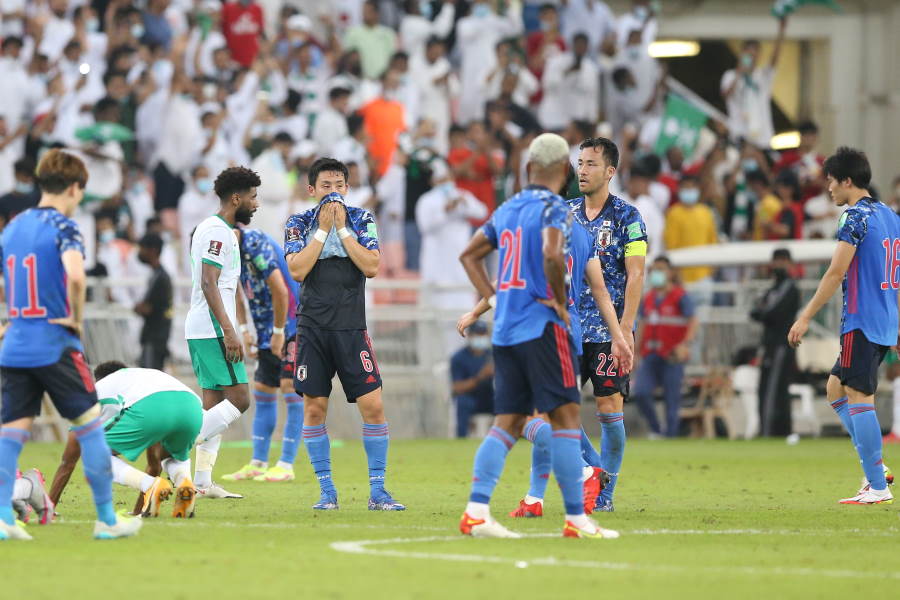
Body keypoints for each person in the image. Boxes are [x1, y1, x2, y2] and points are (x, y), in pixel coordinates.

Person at [457, 132, 620, 539]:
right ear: (564, 169)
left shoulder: (508, 208)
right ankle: (576, 517)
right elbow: (552, 253)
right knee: (565, 419)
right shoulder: (557, 210)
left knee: (508, 423)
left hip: (506, 330)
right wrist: (560, 302)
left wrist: (493, 299)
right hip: (545, 328)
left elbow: (469, 255)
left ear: (529, 167)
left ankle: (477, 511)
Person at [0, 149, 141, 540]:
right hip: (54, 342)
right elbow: (76, 277)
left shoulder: (12, 227)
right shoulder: (65, 226)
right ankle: (107, 520)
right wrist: (76, 318)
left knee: (12, 432)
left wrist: (11, 319)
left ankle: (4, 518)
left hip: (15, 343)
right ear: (76, 188)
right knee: (90, 428)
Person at [284, 157, 404, 511]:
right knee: (314, 409)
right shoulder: (298, 223)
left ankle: (378, 491)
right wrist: (323, 230)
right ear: (312, 190)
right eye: (326, 186)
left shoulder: (362, 219)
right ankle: (327, 492)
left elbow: (372, 265)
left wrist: (342, 230)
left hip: (352, 328)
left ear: (348, 188)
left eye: (339, 186)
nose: (333, 192)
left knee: (373, 405)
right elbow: (297, 270)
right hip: (313, 329)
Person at [788, 147, 899, 505]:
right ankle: (875, 466)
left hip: (862, 320)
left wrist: (805, 316)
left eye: (832, 182)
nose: (829, 189)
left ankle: (877, 484)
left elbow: (836, 272)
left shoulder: (854, 217)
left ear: (847, 181)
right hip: (884, 320)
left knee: (858, 394)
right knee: (835, 388)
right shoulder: (891, 216)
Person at [567, 137, 648, 512]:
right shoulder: (565, 213)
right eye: (580, 163)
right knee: (556, 408)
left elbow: (636, 274)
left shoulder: (628, 217)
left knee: (609, 408)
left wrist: (626, 329)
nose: (582, 171)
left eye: (591, 164)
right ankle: (594, 469)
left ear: (610, 171)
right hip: (569, 327)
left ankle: (605, 495)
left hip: (608, 331)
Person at [186, 166, 260, 499]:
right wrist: (230, 331)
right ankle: (172, 446)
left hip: (202, 327)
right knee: (240, 399)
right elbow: (208, 282)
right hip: (213, 328)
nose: (256, 204)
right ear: (236, 198)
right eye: (253, 197)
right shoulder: (217, 231)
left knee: (213, 405)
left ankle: (202, 483)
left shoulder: (218, 230)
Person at [48, 361, 203, 519]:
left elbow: (68, 460)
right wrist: (138, 510)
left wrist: (48, 507)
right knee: (169, 456)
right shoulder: (141, 379)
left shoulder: (99, 389)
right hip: (193, 407)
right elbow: (154, 464)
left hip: (151, 406)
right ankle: (184, 483)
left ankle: (150, 485)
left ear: (99, 379)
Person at [225, 227, 303, 483]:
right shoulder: (229, 250)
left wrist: (279, 332)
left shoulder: (256, 243)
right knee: (263, 389)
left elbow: (281, 290)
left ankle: (286, 464)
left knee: (291, 388)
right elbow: (234, 290)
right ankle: (258, 462)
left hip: (292, 325)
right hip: (265, 330)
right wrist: (245, 330)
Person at [632, 256, 698, 437]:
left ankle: (671, 435)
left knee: (672, 398)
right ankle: (656, 429)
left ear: (670, 273)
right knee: (641, 392)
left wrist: (685, 344)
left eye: (661, 269)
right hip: (650, 354)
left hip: (672, 355)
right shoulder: (648, 298)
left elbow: (693, 321)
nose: (656, 273)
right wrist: (635, 352)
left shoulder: (680, 296)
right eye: (654, 269)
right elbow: (643, 324)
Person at [416, 159, 487, 322]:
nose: (445, 182)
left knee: (462, 310)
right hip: (437, 265)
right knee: (435, 316)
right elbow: (424, 226)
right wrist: (445, 211)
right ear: (433, 181)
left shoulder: (462, 195)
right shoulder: (426, 200)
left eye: (447, 177)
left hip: (459, 264)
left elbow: (482, 212)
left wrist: (465, 203)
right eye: (441, 179)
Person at [751, 248, 799, 437]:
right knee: (767, 387)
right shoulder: (773, 288)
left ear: (789, 264)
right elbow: (756, 311)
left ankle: (771, 431)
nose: (778, 265)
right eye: (776, 260)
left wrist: (762, 313)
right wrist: (761, 313)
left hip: (781, 345)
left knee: (774, 388)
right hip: (769, 345)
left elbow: (770, 313)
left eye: (782, 261)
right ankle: (771, 429)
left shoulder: (789, 287)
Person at [720, 17, 787, 148]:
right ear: (741, 54)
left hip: (762, 138)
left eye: (755, 53)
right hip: (740, 137)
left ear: (759, 55)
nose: (752, 56)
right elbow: (725, 95)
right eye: (748, 53)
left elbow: (774, 60)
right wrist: (739, 72)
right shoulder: (730, 75)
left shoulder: (762, 76)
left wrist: (781, 31)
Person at [664, 175, 718, 286]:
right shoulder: (673, 213)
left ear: (698, 189)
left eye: (692, 187)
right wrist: (676, 273)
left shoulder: (706, 212)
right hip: (682, 276)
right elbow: (671, 245)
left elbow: (712, 240)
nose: (689, 190)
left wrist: (711, 269)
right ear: (679, 190)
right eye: (686, 188)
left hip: (704, 273)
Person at [449, 321, 494, 438]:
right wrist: (480, 377)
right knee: (463, 402)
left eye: (483, 334)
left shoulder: (493, 355)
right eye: (477, 334)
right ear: (469, 336)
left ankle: (509, 436)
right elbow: (457, 388)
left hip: (489, 397)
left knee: (506, 400)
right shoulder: (458, 358)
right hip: (470, 398)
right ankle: (462, 439)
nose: (481, 337)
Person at [134, 233, 172, 370]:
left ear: (153, 250)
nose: (139, 252)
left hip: (155, 340)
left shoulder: (161, 278)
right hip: (153, 339)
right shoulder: (156, 275)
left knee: (150, 376)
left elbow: (146, 308)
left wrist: (138, 308)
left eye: (142, 248)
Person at [343, 1, 398, 80]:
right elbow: (348, 57)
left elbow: (392, 57)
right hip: (360, 80)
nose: (364, 14)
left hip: (383, 80)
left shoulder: (388, 34)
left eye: (368, 11)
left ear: (377, 13)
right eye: (363, 11)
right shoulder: (352, 32)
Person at [0, 157, 39, 230]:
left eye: (32, 177)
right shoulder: (3, 202)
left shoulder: (38, 199)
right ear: (16, 174)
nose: (29, 179)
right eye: (26, 176)